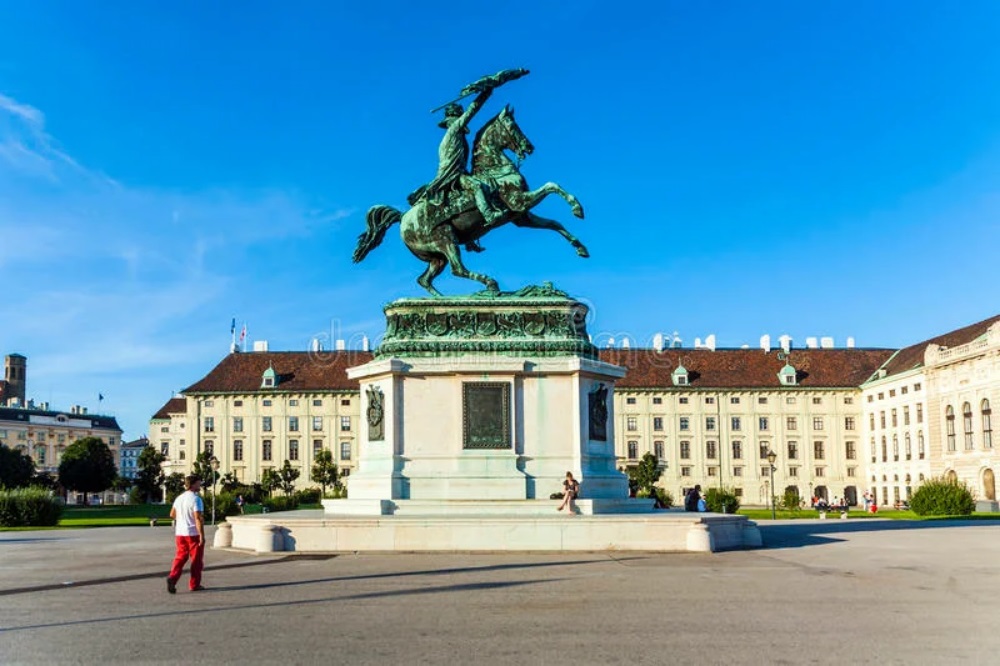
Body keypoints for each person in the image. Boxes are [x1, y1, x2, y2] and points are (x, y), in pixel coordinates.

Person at [408, 69, 528, 227]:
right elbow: (472, 110)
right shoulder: (454, 131)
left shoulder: (456, 137)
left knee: (485, 185)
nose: (459, 121)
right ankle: (489, 214)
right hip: (453, 176)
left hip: (459, 173)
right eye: (457, 119)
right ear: (452, 120)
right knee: (477, 186)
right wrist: (486, 92)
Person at [166, 475, 206, 593]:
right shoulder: (196, 499)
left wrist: (183, 517)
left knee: (180, 557)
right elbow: (197, 518)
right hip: (193, 533)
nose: (200, 485)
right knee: (196, 561)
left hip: (180, 533)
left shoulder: (179, 498)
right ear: (193, 484)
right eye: (199, 483)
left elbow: (172, 514)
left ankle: (173, 577)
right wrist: (202, 536)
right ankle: (194, 584)